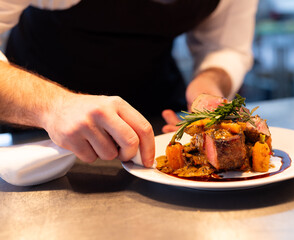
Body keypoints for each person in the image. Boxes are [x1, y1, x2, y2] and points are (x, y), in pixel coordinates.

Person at [0, 0, 258, 166]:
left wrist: (208, 84)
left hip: (157, 115)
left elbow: (226, 48)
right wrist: (53, 106)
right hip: (36, 125)